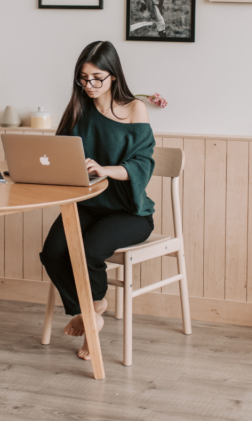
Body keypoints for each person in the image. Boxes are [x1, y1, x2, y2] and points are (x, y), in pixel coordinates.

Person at [39, 40, 155, 360]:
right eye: (83, 78)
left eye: (97, 78)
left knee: (88, 251)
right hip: (87, 204)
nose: (89, 85)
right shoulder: (79, 108)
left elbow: (144, 164)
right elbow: (58, 153)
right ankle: (93, 310)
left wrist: (105, 170)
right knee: (52, 253)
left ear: (113, 76)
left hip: (130, 212)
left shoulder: (134, 109)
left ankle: (91, 313)